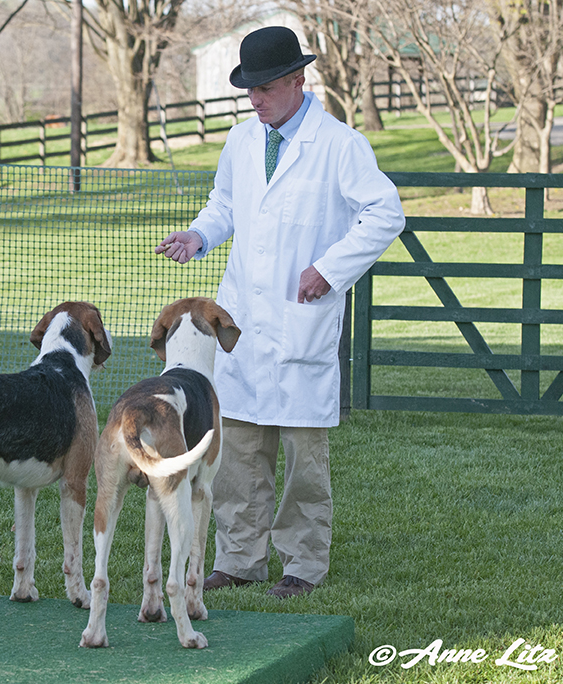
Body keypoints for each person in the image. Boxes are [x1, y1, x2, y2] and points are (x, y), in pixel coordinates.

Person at [156, 26, 405, 598]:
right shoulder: (242, 140)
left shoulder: (340, 145)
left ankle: (303, 565)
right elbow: (225, 203)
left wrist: (330, 269)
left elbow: (384, 213)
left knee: (303, 461)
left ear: (297, 80)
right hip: (243, 322)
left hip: (301, 319)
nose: (255, 99)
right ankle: (239, 559)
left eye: (265, 88)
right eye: (249, 89)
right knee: (239, 452)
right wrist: (199, 235)